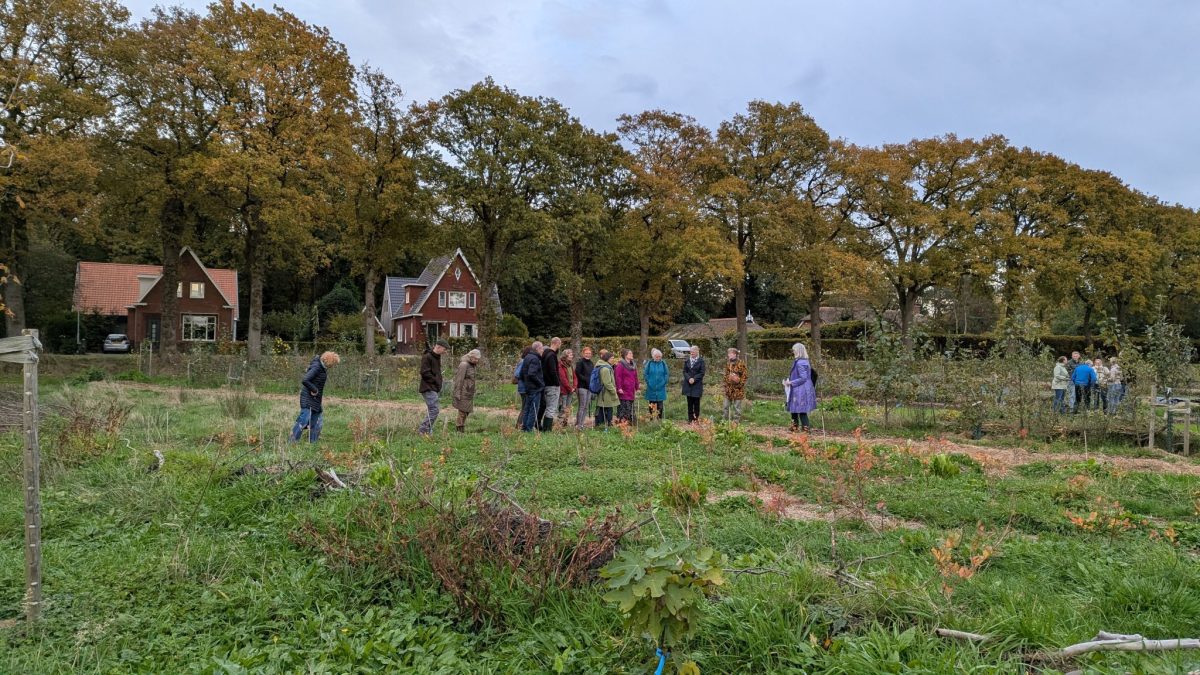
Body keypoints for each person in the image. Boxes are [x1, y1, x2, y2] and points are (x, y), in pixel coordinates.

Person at [291, 351, 339, 442]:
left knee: (317, 422)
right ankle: (292, 441)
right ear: (329, 361)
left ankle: (313, 443)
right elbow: (305, 380)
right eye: (334, 363)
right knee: (303, 420)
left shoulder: (322, 367)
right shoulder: (317, 367)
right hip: (308, 398)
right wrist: (315, 390)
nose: (333, 366)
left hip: (316, 399)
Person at [417, 340, 449, 436]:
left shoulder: (436, 357)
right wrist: (435, 380)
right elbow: (424, 372)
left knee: (433, 410)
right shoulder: (427, 357)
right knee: (434, 410)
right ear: (438, 347)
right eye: (444, 349)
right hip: (428, 387)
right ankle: (423, 430)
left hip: (433, 387)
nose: (445, 352)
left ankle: (428, 431)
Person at [785, 343, 817, 432]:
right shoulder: (804, 361)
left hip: (800, 389)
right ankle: (796, 427)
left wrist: (790, 382)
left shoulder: (800, 363)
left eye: (794, 349)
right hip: (802, 388)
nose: (793, 351)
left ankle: (804, 428)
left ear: (798, 351)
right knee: (796, 407)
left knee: (800, 408)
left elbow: (803, 378)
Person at [452, 349, 481, 432]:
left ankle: (461, 427)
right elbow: (459, 379)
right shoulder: (464, 364)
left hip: (468, 392)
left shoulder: (472, 365)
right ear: (470, 356)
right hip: (463, 392)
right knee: (462, 411)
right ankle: (459, 430)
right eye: (475, 358)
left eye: (478, 359)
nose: (477, 361)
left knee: (466, 411)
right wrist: (457, 393)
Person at [519, 341, 545, 432]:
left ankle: (524, 427)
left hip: (528, 388)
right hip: (535, 388)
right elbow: (532, 374)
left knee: (527, 408)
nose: (543, 350)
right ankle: (529, 429)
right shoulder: (535, 359)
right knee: (533, 409)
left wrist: (526, 383)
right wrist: (541, 384)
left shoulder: (527, 357)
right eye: (542, 348)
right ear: (537, 349)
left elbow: (521, 373)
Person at [540, 337, 562, 431]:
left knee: (547, 406)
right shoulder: (552, 355)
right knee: (551, 407)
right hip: (552, 385)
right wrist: (557, 383)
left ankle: (544, 427)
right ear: (557, 343)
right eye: (560, 344)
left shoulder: (544, 353)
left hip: (544, 383)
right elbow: (553, 371)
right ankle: (547, 429)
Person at [723, 347, 749, 423]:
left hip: (738, 390)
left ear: (734, 354)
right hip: (729, 389)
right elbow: (725, 376)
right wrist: (729, 379)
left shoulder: (741, 364)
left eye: (729, 353)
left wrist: (738, 381)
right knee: (725, 406)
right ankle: (725, 421)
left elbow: (745, 376)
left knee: (737, 407)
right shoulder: (728, 364)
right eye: (728, 353)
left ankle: (735, 422)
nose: (728, 355)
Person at [593, 349, 617, 429]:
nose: (613, 360)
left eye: (613, 358)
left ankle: (604, 424)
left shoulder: (606, 367)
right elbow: (607, 383)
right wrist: (614, 391)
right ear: (607, 359)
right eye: (611, 358)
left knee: (605, 408)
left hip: (605, 393)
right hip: (605, 393)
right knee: (606, 409)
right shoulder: (605, 369)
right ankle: (604, 425)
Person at [615, 348, 640, 424]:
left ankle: (630, 423)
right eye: (630, 354)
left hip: (631, 390)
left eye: (632, 353)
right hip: (623, 390)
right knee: (624, 407)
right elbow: (617, 377)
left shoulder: (633, 365)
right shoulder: (620, 365)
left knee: (630, 406)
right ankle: (622, 423)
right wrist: (619, 388)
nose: (632, 355)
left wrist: (637, 387)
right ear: (625, 355)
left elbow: (635, 377)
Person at [682, 345, 706, 423]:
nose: (691, 353)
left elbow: (702, 373)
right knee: (689, 403)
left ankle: (696, 419)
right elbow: (684, 371)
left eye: (693, 351)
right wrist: (689, 378)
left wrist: (694, 379)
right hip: (688, 385)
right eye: (691, 351)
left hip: (697, 385)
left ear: (697, 352)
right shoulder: (687, 361)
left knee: (696, 403)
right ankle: (690, 419)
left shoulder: (701, 361)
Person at [574, 346, 596, 430]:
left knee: (586, 406)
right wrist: (587, 380)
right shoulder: (580, 362)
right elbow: (578, 374)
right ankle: (578, 424)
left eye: (589, 353)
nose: (588, 355)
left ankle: (582, 424)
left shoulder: (591, 363)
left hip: (589, 387)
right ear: (583, 354)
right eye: (586, 353)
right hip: (582, 387)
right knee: (582, 406)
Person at [644, 348, 668, 420]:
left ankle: (659, 419)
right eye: (656, 357)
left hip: (661, 388)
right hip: (651, 388)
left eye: (659, 357)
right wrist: (649, 382)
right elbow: (646, 374)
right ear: (653, 356)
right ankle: (652, 419)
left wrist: (664, 382)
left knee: (660, 405)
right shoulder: (649, 363)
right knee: (652, 404)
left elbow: (666, 374)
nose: (658, 358)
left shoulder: (663, 364)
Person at [558, 348, 576, 427]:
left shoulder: (570, 365)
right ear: (565, 356)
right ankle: (559, 423)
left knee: (568, 407)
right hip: (564, 390)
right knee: (563, 407)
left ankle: (565, 422)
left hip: (571, 390)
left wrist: (574, 386)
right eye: (570, 354)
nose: (572, 356)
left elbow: (574, 377)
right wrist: (570, 388)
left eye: (572, 354)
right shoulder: (561, 365)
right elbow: (563, 378)